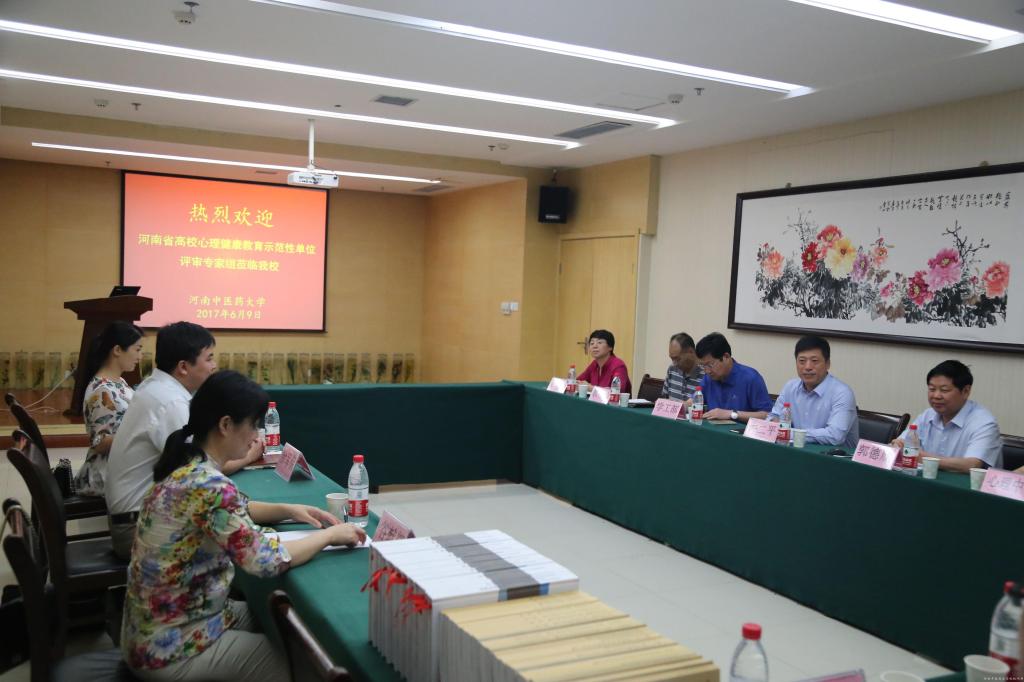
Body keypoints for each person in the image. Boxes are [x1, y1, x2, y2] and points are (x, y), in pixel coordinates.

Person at [121, 370, 366, 680]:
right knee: (297, 660)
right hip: (169, 649)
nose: (256, 435)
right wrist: (329, 536)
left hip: (152, 628)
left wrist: (287, 509)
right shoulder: (210, 484)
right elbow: (265, 560)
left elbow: (234, 509)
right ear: (225, 425)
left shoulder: (187, 465)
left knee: (277, 615)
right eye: (252, 424)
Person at [106, 322, 261, 559]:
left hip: (139, 516)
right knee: (239, 539)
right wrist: (249, 456)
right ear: (183, 367)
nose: (214, 366)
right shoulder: (169, 402)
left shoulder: (157, 386)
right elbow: (198, 471)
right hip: (136, 528)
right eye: (209, 358)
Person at [74, 321, 145, 496]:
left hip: (119, 467)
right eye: (137, 349)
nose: (140, 356)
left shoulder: (118, 381)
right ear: (117, 350)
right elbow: (100, 443)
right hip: (105, 475)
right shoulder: (102, 390)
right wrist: (143, 432)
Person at [891, 360, 1002, 471]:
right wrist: (897, 446)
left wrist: (919, 456)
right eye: (932, 389)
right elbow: (900, 444)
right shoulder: (927, 415)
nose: (936, 396)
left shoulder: (984, 423)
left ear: (966, 391)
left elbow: (972, 464)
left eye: (944, 390)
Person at [767, 336, 858, 450]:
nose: (808, 367)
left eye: (814, 361)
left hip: (834, 457)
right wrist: (773, 423)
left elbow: (835, 436)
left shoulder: (842, 393)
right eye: (802, 361)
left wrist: (788, 433)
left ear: (827, 364)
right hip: (796, 452)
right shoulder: (790, 387)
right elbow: (773, 417)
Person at [694, 332, 771, 423]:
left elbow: (767, 415)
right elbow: (694, 401)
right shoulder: (709, 378)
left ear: (726, 357)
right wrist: (683, 405)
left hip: (742, 431)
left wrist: (731, 414)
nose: (707, 371)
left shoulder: (751, 378)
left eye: (710, 365)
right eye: (703, 366)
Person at [577, 329, 632, 395]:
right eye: (592, 343)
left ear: (610, 347)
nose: (595, 346)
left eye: (599, 343)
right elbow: (578, 381)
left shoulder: (619, 366)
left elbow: (616, 392)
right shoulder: (594, 364)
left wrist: (591, 388)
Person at [661, 332, 704, 402]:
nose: (674, 363)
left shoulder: (706, 374)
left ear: (691, 352)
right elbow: (665, 398)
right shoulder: (672, 369)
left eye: (677, 359)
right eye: (672, 358)